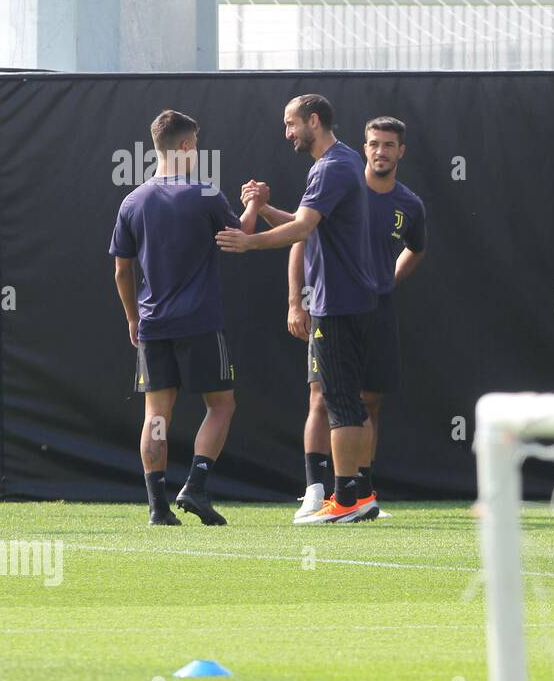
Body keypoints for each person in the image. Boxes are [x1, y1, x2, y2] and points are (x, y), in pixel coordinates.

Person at [217, 94, 380, 524]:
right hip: (349, 301)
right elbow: (306, 223)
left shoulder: (332, 166)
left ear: (313, 120)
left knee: (340, 403)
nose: (288, 133)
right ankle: (359, 496)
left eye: (291, 124)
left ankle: (346, 500)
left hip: (339, 303)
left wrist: (249, 241)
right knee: (348, 403)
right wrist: (266, 206)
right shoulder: (338, 164)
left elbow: (303, 229)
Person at [110, 110, 260, 526]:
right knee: (221, 406)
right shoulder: (206, 195)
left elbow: (122, 270)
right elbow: (239, 238)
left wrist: (132, 319)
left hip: (154, 324)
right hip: (199, 322)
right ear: (184, 146)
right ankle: (196, 485)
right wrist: (253, 204)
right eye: (195, 144)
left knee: (156, 416)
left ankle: (158, 507)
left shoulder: (132, 201)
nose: (196, 151)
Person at [290, 116, 427, 523]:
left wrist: (386, 281)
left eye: (388, 145)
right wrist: (296, 302)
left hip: (374, 310)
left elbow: (416, 249)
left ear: (401, 151)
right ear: (364, 148)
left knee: (368, 401)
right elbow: (300, 237)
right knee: (325, 398)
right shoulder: (343, 185)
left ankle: (360, 494)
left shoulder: (409, 204)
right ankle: (318, 492)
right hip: (329, 305)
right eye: (374, 144)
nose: (380, 151)